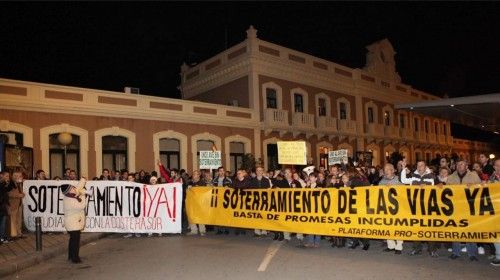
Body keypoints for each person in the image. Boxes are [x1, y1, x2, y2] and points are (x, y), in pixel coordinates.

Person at [400, 160, 439, 257]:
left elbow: (440, 187)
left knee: (429, 229)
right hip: (416, 207)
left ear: (426, 167)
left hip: (428, 207)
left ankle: (432, 250)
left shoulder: (433, 176)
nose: (419, 167)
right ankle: (417, 249)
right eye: (418, 165)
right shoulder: (413, 176)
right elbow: (403, 180)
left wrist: (432, 187)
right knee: (416, 228)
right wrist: (404, 168)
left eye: (421, 165)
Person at [448, 160, 481, 261]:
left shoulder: (474, 176)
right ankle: (455, 252)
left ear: (467, 166)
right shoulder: (451, 177)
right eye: (458, 164)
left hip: (470, 208)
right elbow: (446, 190)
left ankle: (472, 253)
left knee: (470, 230)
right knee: (456, 230)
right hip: (456, 207)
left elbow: (481, 190)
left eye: (462, 164)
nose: (459, 166)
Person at [60, 178, 90, 263]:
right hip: (72, 223)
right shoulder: (69, 200)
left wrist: (83, 180)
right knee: (75, 241)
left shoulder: (72, 195)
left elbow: (78, 187)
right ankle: (75, 258)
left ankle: (71, 256)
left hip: (74, 222)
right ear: (68, 191)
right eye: (72, 188)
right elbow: (82, 206)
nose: (74, 188)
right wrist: (84, 195)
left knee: (73, 239)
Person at [378, 163, 403, 255]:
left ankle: (399, 247)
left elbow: (404, 190)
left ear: (393, 170)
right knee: (388, 226)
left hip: (397, 208)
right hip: (386, 208)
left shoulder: (398, 180)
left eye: (388, 169)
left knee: (398, 227)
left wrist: (392, 188)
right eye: (385, 169)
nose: (386, 171)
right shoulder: (382, 181)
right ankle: (391, 246)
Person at [271, 168, 301, 241]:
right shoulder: (282, 182)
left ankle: (299, 235)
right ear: (284, 175)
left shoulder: (296, 182)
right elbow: (273, 182)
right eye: (286, 173)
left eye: (289, 173)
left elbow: (302, 192)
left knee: (296, 220)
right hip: (285, 204)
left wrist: (296, 190)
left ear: (291, 174)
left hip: (294, 204)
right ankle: (286, 236)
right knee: (285, 220)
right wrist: (276, 174)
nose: (287, 174)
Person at [249, 166, 272, 237]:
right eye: (258, 170)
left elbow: (268, 190)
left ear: (263, 172)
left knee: (264, 216)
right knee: (256, 216)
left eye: (261, 170)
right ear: (256, 172)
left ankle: (264, 232)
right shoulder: (252, 180)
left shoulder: (266, 180)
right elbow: (250, 190)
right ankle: (257, 232)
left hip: (264, 201)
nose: (259, 172)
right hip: (255, 201)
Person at [212, 167, 232, 235]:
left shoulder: (228, 179)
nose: (222, 172)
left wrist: (228, 188)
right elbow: (211, 188)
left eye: (223, 171)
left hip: (225, 200)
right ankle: (219, 229)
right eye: (220, 171)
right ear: (218, 172)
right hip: (217, 199)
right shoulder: (215, 180)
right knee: (218, 214)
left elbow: (232, 188)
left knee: (225, 214)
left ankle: (226, 229)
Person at [187, 170, 207, 236]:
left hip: (200, 203)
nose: (193, 175)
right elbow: (187, 192)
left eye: (195, 174)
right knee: (192, 216)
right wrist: (188, 189)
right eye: (193, 174)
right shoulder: (190, 182)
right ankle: (193, 230)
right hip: (192, 203)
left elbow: (204, 192)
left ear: (199, 175)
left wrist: (194, 188)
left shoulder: (202, 183)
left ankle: (202, 230)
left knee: (200, 217)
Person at [303, 172, 321, 248]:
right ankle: (310, 241)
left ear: (316, 178)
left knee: (317, 226)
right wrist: (306, 187)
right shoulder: (307, 186)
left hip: (317, 209)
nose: (310, 178)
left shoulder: (319, 186)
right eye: (310, 177)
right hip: (309, 208)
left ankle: (317, 242)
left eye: (312, 177)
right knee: (310, 225)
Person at [489, 158, 500, 266]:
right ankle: (498, 256)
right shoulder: (492, 178)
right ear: (494, 167)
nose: (499, 167)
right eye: (497, 165)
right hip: (496, 210)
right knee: (496, 233)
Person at [8, 171, 25, 239]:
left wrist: (22, 194)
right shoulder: (10, 184)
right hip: (13, 204)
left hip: (19, 204)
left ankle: (19, 233)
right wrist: (18, 195)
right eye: (20, 176)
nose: (21, 177)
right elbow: (9, 194)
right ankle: (13, 234)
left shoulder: (19, 184)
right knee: (13, 220)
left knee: (19, 219)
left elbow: (20, 192)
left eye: (21, 175)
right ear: (15, 176)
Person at [0, 177, 11, 243]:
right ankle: (2, 237)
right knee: (2, 223)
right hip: (2, 206)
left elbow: (8, 189)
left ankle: (2, 237)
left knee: (3, 223)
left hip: (3, 207)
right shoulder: (1, 186)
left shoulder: (3, 186)